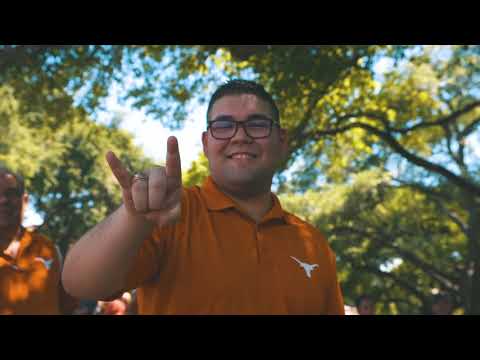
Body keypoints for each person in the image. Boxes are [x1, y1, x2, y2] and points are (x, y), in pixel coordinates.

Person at [62, 79, 345, 315]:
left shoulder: (314, 244)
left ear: (281, 141)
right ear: (206, 144)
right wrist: (134, 219)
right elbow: (78, 283)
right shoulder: (170, 216)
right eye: (223, 126)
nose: (240, 136)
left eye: (257, 124)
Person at [0, 166, 77, 314]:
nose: (3, 200)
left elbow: (66, 306)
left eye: (11, 193)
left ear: (25, 200)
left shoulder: (49, 250)